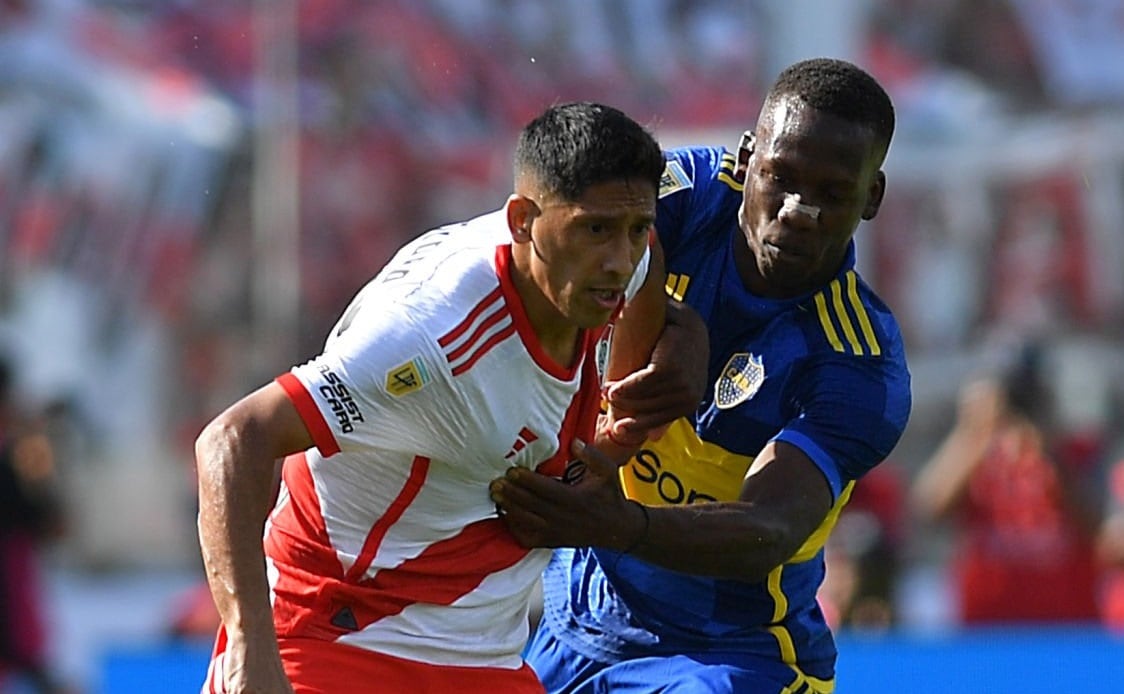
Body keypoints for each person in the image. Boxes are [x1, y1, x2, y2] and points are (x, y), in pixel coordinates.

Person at [194, 101, 707, 694]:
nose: (620, 260)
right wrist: (250, 646)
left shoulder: (616, 270)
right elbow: (234, 438)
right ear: (522, 222)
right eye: (594, 230)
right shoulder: (430, 337)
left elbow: (647, 277)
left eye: (636, 229)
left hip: (483, 655)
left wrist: (615, 440)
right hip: (338, 633)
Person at [490, 58, 912, 693]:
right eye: (782, 178)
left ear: (872, 196)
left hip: (728, 655)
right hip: (576, 624)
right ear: (746, 160)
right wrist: (667, 314)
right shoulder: (687, 192)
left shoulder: (859, 359)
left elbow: (766, 531)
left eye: (832, 193)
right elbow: (564, 242)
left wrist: (614, 524)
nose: (799, 211)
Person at [911, 343, 1104, 625]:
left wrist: (1051, 446)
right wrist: (975, 431)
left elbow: (1096, 526)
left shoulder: (1075, 452)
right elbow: (928, 507)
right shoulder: (975, 452)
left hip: (1066, 627)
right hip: (989, 628)